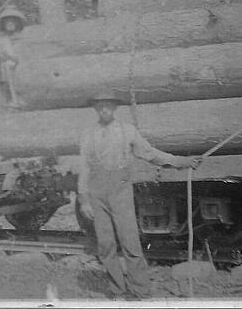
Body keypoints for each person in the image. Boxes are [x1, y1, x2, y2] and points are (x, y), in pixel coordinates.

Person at [78, 91, 201, 300]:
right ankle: (117, 290)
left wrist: (181, 161)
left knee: (130, 243)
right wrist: (84, 200)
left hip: (121, 192)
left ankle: (140, 291)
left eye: (108, 105)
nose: (104, 109)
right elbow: (84, 168)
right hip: (97, 194)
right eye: (100, 106)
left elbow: (150, 154)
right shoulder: (88, 134)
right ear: (95, 109)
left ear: (115, 108)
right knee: (106, 245)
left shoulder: (128, 131)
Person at [0, 5, 25, 107]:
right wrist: (0, 56)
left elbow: (25, 56)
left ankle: (19, 98)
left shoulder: (24, 38)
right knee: (4, 67)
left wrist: (11, 58)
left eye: (12, 21)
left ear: (17, 22)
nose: (10, 23)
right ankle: (11, 99)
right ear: (3, 23)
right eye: (7, 21)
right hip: (5, 69)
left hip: (21, 67)